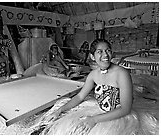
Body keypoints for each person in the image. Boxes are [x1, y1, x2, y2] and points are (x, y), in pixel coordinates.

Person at [29, 39, 158, 135]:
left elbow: (125, 108)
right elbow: (80, 96)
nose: (105, 55)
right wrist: (60, 110)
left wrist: (94, 120)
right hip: (98, 110)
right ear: (92, 56)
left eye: (108, 51)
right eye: (100, 52)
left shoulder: (122, 73)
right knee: (68, 125)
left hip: (120, 116)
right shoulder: (93, 75)